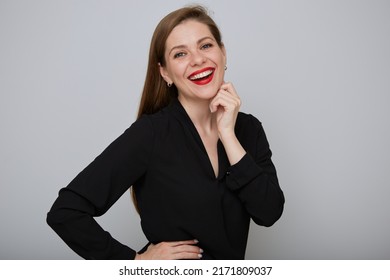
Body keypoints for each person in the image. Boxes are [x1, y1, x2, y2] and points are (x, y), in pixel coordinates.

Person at [47, 5, 285, 260]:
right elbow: (66, 212)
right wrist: (135, 262)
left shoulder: (249, 129)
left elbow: (269, 213)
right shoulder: (151, 134)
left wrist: (228, 135)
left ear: (223, 53)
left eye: (205, 46)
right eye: (180, 54)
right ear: (165, 72)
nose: (197, 59)